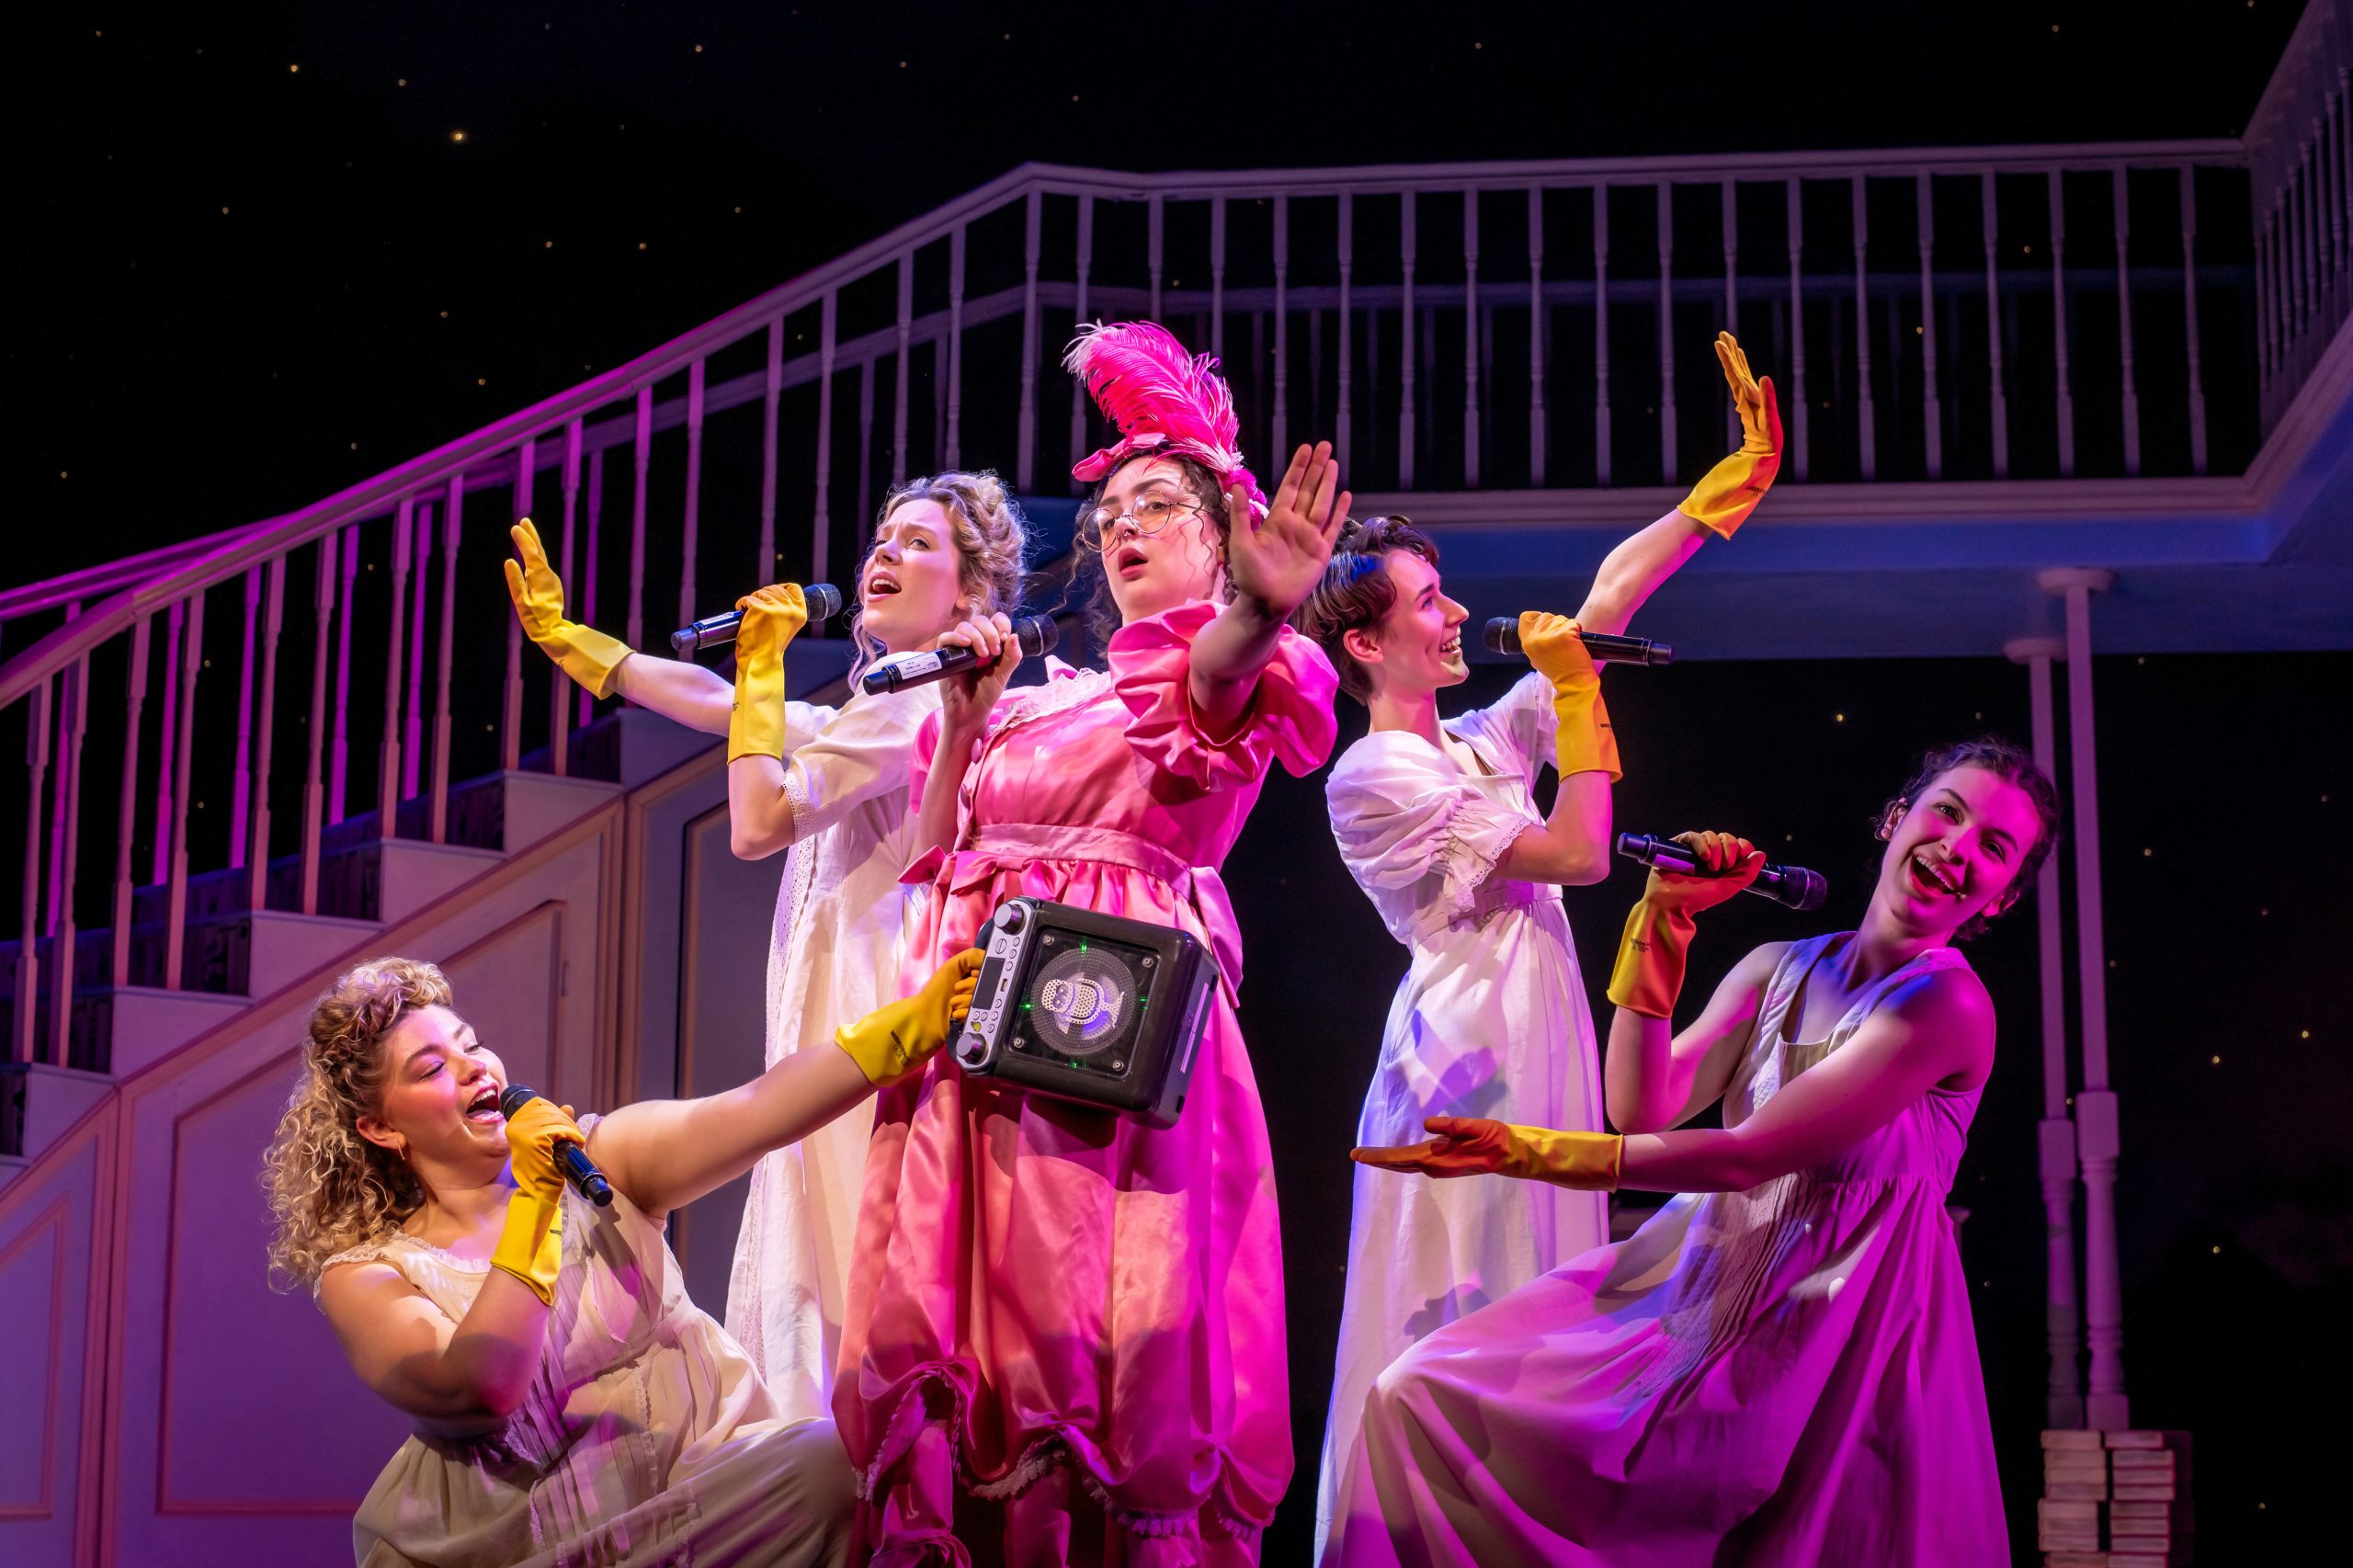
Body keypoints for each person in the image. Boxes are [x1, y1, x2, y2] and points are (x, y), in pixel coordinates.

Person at [835, 322, 1345, 1562]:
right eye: (1111, 506)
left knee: (1084, 1312)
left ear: (1223, 540)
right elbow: (935, 853)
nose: (1122, 526)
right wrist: (962, 718)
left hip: (1100, 1032)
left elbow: (1218, 684)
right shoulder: (1052, 691)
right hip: (976, 1024)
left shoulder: (1214, 668)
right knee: (971, 1332)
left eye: (1159, 505)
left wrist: (1264, 608)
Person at [1332, 738, 2060, 1566]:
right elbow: (1641, 1106)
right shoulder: (1777, 966)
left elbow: (1749, 1156)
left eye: (1994, 848)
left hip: (1848, 1337)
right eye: (1947, 812)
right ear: (1899, 818)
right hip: (1713, 1293)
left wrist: (1524, 1151)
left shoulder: (1947, 1002)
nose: (1957, 848)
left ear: (2001, 900)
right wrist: (1662, 922)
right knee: (1422, 1396)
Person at [1294, 334, 1783, 1551]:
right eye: (1429, 600)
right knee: (1466, 1304)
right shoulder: (1374, 772)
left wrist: (1712, 497)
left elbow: (1602, 603)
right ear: (1368, 642)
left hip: (1535, 1039)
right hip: (1468, 1054)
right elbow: (1574, 851)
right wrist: (1574, 698)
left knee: (1545, 1308)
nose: (1458, 611)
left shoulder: (1468, 744)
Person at [502, 474, 1026, 1423]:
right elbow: (723, 703)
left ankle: (841, 1469)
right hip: (848, 1014)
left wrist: (762, 664)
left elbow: (757, 819)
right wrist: (581, 646)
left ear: (971, 593)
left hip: (867, 1011)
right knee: (825, 1257)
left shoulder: (911, 710)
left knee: (835, 1268)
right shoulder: (890, 706)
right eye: (880, 536)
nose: (883, 554)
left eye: (916, 543)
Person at [263, 948, 983, 1568]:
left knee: (833, 1466)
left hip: (702, 1503)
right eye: (431, 1068)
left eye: (471, 1044)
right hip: (521, 1547)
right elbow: (481, 1388)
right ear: (381, 1128)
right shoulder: (369, 1274)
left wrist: (914, 1023)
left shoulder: (601, 1160)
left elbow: (755, 1109)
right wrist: (535, 1202)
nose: (475, 1068)